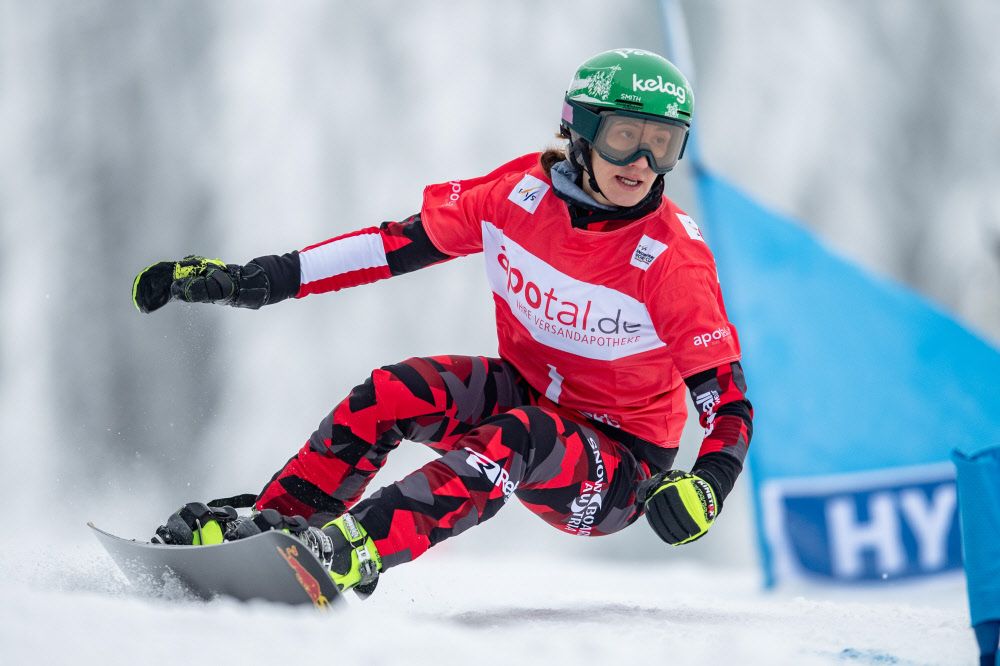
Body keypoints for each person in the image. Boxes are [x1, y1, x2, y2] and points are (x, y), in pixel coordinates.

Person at [133, 48, 753, 599]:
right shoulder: (518, 196)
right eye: (625, 137)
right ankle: (274, 526)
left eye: (665, 144)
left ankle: (350, 550)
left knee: (522, 434)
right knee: (394, 391)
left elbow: (727, 403)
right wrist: (254, 280)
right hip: (531, 391)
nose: (643, 162)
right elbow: (391, 246)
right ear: (581, 131)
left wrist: (705, 487)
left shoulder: (671, 261)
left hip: (620, 465)